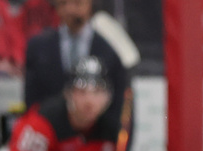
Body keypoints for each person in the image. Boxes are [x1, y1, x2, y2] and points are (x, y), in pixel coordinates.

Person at [0, 56, 118, 151]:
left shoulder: (111, 129)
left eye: (98, 92)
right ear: (68, 94)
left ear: (109, 97)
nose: (89, 101)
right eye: (81, 91)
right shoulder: (41, 125)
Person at [24, 0, 130, 142]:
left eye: (77, 3)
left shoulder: (112, 50)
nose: (70, 10)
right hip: (48, 142)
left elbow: (121, 109)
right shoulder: (38, 48)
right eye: (63, 3)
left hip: (93, 145)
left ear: (90, 4)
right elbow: (31, 103)